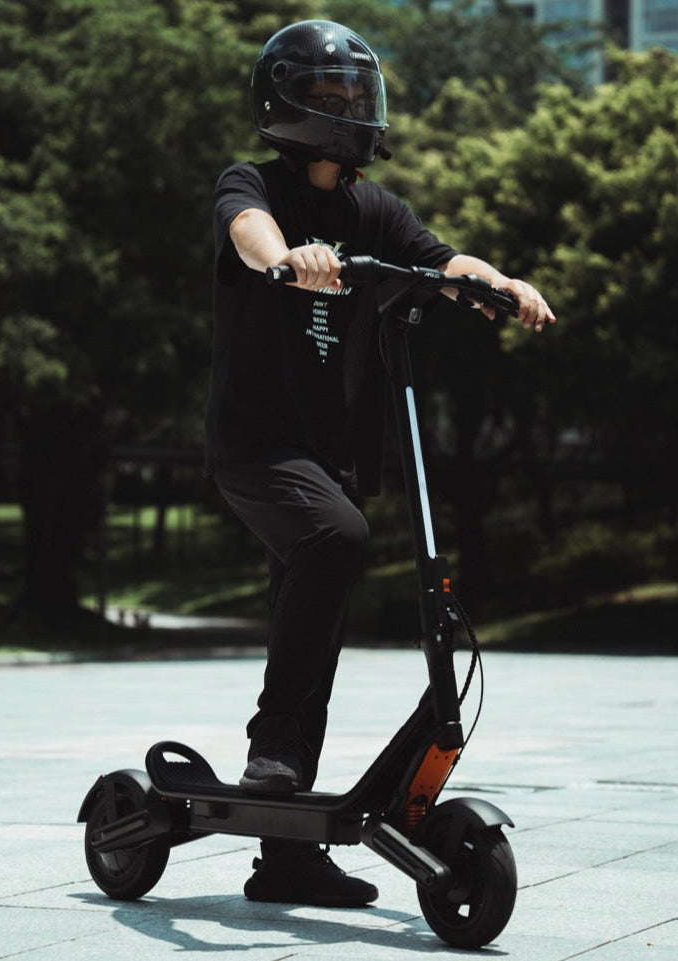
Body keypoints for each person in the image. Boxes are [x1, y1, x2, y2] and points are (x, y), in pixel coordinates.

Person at [203, 19, 555, 909]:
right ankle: (272, 743)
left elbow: (440, 260)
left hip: (326, 456)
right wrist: (288, 260)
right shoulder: (256, 186)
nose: (347, 109)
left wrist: (497, 282)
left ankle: (283, 855)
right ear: (284, 100)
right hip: (256, 447)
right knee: (336, 539)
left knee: (314, 618)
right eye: (328, 96)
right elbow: (247, 232)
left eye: (355, 95)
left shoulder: (374, 211)